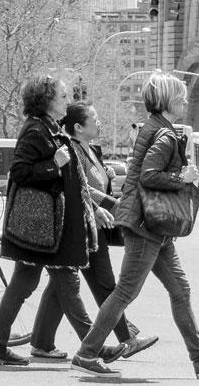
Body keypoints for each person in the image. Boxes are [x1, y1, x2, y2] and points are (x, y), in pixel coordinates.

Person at [69, 75, 199, 378]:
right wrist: (182, 178)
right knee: (125, 292)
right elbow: (149, 175)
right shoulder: (165, 135)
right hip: (147, 225)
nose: (185, 102)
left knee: (179, 289)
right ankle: (87, 353)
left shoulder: (155, 127)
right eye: (181, 98)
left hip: (152, 226)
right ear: (168, 101)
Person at [0, 76, 124, 368]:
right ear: (47, 100)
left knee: (28, 284)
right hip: (40, 227)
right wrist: (53, 164)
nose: (66, 101)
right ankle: (92, 347)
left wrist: (91, 209)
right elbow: (20, 172)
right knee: (61, 284)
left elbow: (75, 181)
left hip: (48, 227)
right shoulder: (36, 130)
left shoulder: (49, 129)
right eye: (62, 96)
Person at [47, 102, 158, 361]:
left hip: (92, 226)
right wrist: (109, 205)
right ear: (78, 127)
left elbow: (95, 183)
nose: (99, 123)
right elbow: (81, 187)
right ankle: (124, 339)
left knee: (59, 288)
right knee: (106, 285)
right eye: (94, 119)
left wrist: (108, 179)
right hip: (84, 226)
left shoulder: (91, 149)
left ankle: (42, 341)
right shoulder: (72, 148)